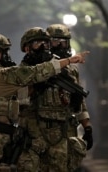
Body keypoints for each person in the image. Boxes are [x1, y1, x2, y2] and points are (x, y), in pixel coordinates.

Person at [0, 33, 88, 172]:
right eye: (5, 52)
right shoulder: (3, 75)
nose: (7, 56)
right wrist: (70, 60)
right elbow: (37, 71)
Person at [16, 26, 92, 172]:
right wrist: (36, 86)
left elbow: (80, 104)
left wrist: (87, 128)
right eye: (55, 41)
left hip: (62, 133)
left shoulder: (68, 69)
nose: (44, 46)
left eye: (64, 42)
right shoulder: (24, 69)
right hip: (33, 133)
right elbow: (19, 103)